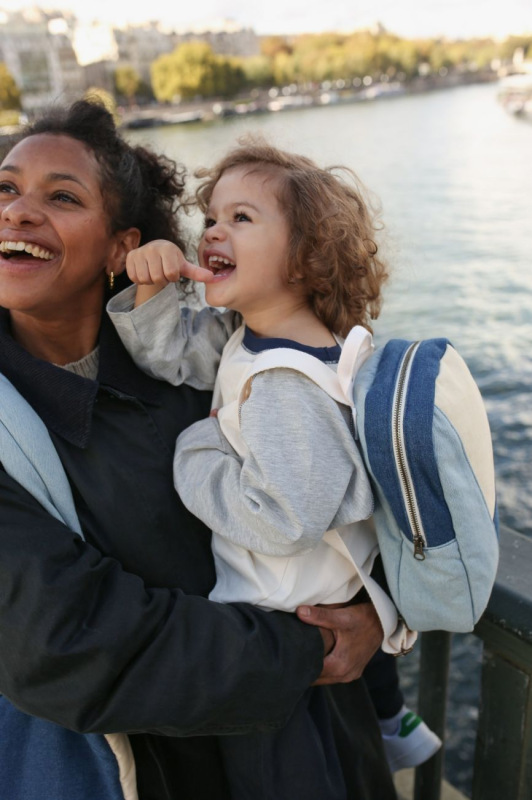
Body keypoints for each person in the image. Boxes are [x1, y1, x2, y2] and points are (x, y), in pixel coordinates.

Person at [0, 100, 396, 800]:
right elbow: (65, 642)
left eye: (60, 196)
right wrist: (311, 648)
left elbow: (357, 480)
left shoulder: (212, 363)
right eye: (5, 188)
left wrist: (379, 614)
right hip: (155, 772)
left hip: (314, 749)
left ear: (123, 245)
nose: (17, 211)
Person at [108, 139, 427, 797]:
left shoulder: (287, 386)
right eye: (212, 218)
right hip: (289, 636)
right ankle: (397, 721)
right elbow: (173, 360)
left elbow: (283, 518)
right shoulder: (252, 335)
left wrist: (194, 451)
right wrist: (151, 290)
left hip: (290, 650)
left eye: (242, 218)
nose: (213, 231)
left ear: (306, 257)